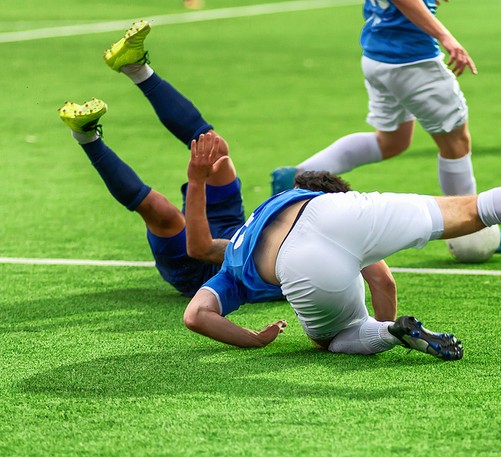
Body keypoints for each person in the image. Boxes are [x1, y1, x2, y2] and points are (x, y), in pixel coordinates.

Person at [58, 21, 400, 326]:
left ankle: (86, 136)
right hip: (236, 231)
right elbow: (380, 277)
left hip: (205, 266)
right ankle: (135, 68)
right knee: (216, 150)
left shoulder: (295, 256)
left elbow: (200, 248)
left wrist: (196, 179)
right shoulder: (315, 237)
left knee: (160, 212)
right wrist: (386, 329)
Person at [189, 152, 501, 360]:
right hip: (331, 210)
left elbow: (196, 315)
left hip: (298, 264)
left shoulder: (230, 267)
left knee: (330, 340)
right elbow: (383, 281)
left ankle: (390, 333)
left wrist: (252, 338)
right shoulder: (275, 207)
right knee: (473, 209)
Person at [270, 0, 501, 256]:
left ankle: (296, 175)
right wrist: (446, 37)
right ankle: (472, 228)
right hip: (413, 61)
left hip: (377, 55)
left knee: (392, 141)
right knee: (455, 143)